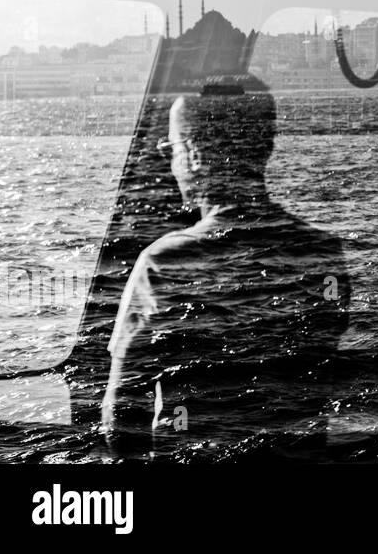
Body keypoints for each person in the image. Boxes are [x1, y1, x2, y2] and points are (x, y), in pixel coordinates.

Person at [100, 88, 349, 460]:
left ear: (195, 155)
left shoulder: (163, 262)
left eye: (170, 151)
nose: (170, 165)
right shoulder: (323, 253)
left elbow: (120, 415)